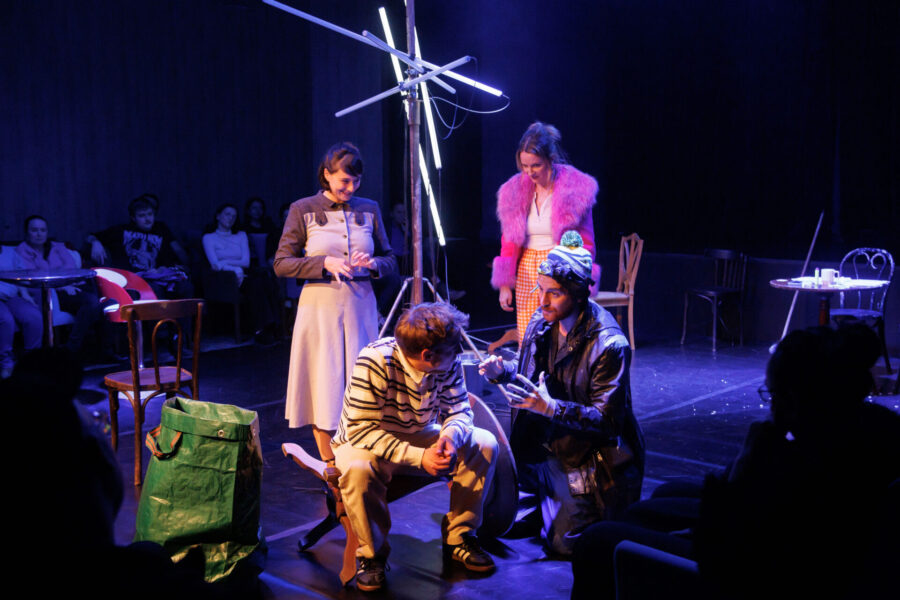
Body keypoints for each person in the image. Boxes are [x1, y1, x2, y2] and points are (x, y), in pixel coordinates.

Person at [480, 231, 644, 556]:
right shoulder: (542, 323)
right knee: (494, 513)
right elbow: (530, 374)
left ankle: (552, 499)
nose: (543, 301)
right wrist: (503, 372)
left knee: (567, 544)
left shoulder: (609, 345)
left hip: (591, 457)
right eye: (540, 290)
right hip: (549, 444)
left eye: (554, 293)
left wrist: (551, 408)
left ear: (579, 293)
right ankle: (547, 495)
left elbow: (608, 422)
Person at [332, 302, 498, 591]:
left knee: (484, 443)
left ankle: (459, 536)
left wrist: (450, 437)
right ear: (427, 355)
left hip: (417, 433)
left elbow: (459, 410)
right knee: (358, 469)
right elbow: (361, 429)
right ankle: (371, 555)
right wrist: (420, 457)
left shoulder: (446, 361)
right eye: (454, 349)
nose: (459, 353)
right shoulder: (376, 360)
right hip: (366, 439)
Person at [274, 142, 396, 463]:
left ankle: (362, 457)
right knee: (325, 383)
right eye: (344, 181)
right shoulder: (303, 209)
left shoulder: (369, 208)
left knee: (364, 381)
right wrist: (323, 262)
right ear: (327, 175)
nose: (351, 188)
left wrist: (374, 264)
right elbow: (281, 263)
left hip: (361, 306)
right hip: (320, 307)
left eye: (356, 181)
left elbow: (391, 259)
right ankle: (331, 465)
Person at [491, 122, 600, 345]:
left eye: (536, 165)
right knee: (529, 336)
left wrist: (581, 279)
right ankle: (529, 369)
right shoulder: (514, 191)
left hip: (560, 268)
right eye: (524, 166)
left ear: (550, 159)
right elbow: (508, 240)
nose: (529, 172)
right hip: (527, 269)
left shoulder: (575, 190)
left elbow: (586, 241)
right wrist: (504, 284)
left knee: (560, 336)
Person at [15, 215, 104, 354]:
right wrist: (61, 286)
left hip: (74, 285)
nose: (39, 234)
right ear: (26, 233)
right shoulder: (21, 251)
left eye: (43, 230)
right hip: (51, 291)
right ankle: (72, 349)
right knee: (92, 302)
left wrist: (66, 283)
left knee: (104, 304)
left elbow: (71, 268)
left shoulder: (58, 247)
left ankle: (103, 351)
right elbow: (34, 275)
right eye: (34, 230)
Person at [87, 194, 193, 300]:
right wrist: (96, 243)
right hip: (134, 277)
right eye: (142, 216)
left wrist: (164, 268)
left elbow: (170, 257)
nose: (147, 219)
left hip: (158, 275)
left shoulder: (160, 230)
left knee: (185, 287)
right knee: (154, 289)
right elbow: (91, 236)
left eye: (150, 214)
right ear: (133, 218)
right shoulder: (121, 231)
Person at [202, 204, 280, 344]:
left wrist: (224, 261)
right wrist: (232, 266)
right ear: (218, 216)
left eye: (234, 216)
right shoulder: (209, 238)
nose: (230, 218)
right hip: (224, 278)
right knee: (256, 284)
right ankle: (266, 328)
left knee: (264, 280)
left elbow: (246, 262)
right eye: (227, 214)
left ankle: (269, 327)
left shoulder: (241, 235)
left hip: (243, 275)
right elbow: (214, 264)